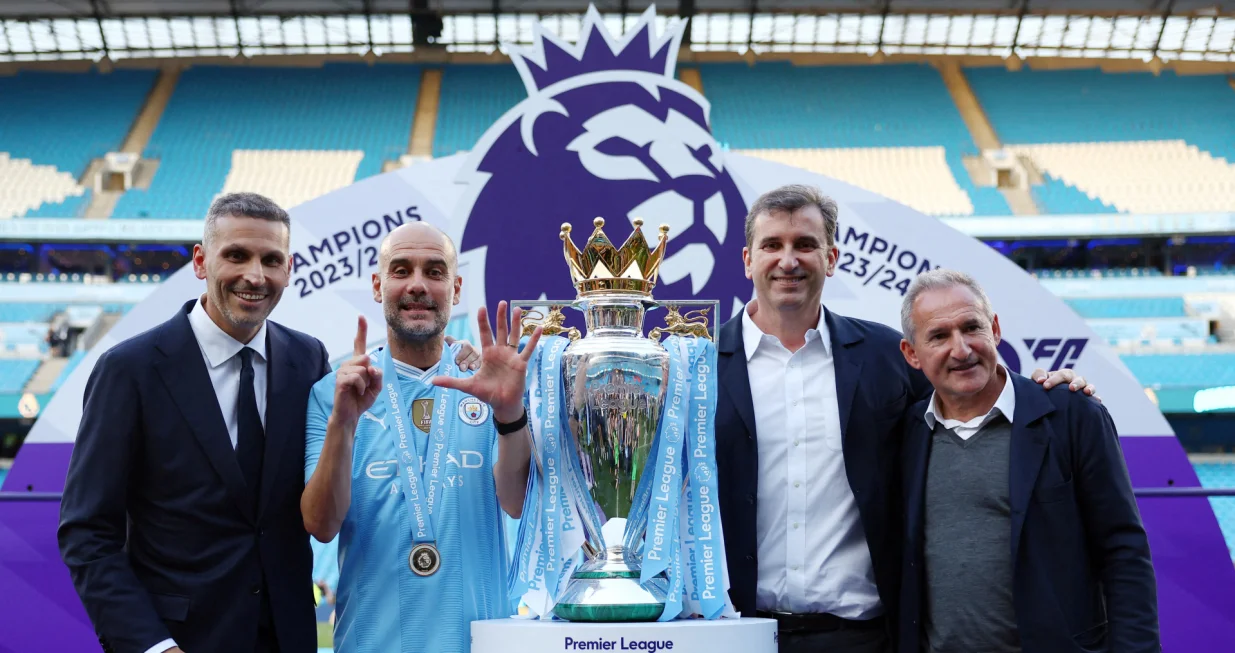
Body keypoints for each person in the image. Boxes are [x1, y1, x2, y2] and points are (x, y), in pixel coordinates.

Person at [714, 184, 1096, 653]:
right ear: (747, 259)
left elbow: (967, 392)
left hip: (864, 638)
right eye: (772, 245)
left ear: (831, 259)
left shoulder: (886, 357)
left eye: (806, 245)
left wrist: (1043, 388)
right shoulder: (700, 361)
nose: (788, 260)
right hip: (736, 634)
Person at [57, 192, 330, 653]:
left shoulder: (309, 360)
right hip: (180, 640)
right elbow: (87, 532)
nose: (255, 275)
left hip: (289, 638)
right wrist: (153, 645)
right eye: (236, 256)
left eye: (271, 259)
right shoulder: (130, 370)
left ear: (289, 268)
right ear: (201, 262)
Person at [301, 222, 537, 653]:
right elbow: (321, 525)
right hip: (371, 643)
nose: (417, 285)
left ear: (456, 287)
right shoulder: (333, 394)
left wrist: (508, 414)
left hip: (478, 643)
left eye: (434, 271)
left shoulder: (491, 385)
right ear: (377, 285)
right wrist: (343, 423)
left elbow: (518, 502)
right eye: (400, 270)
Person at [896, 269, 1159, 653]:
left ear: (995, 329)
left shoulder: (1072, 414)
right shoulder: (906, 433)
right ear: (912, 354)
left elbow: (1123, 551)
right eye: (939, 336)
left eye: (972, 327)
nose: (962, 349)